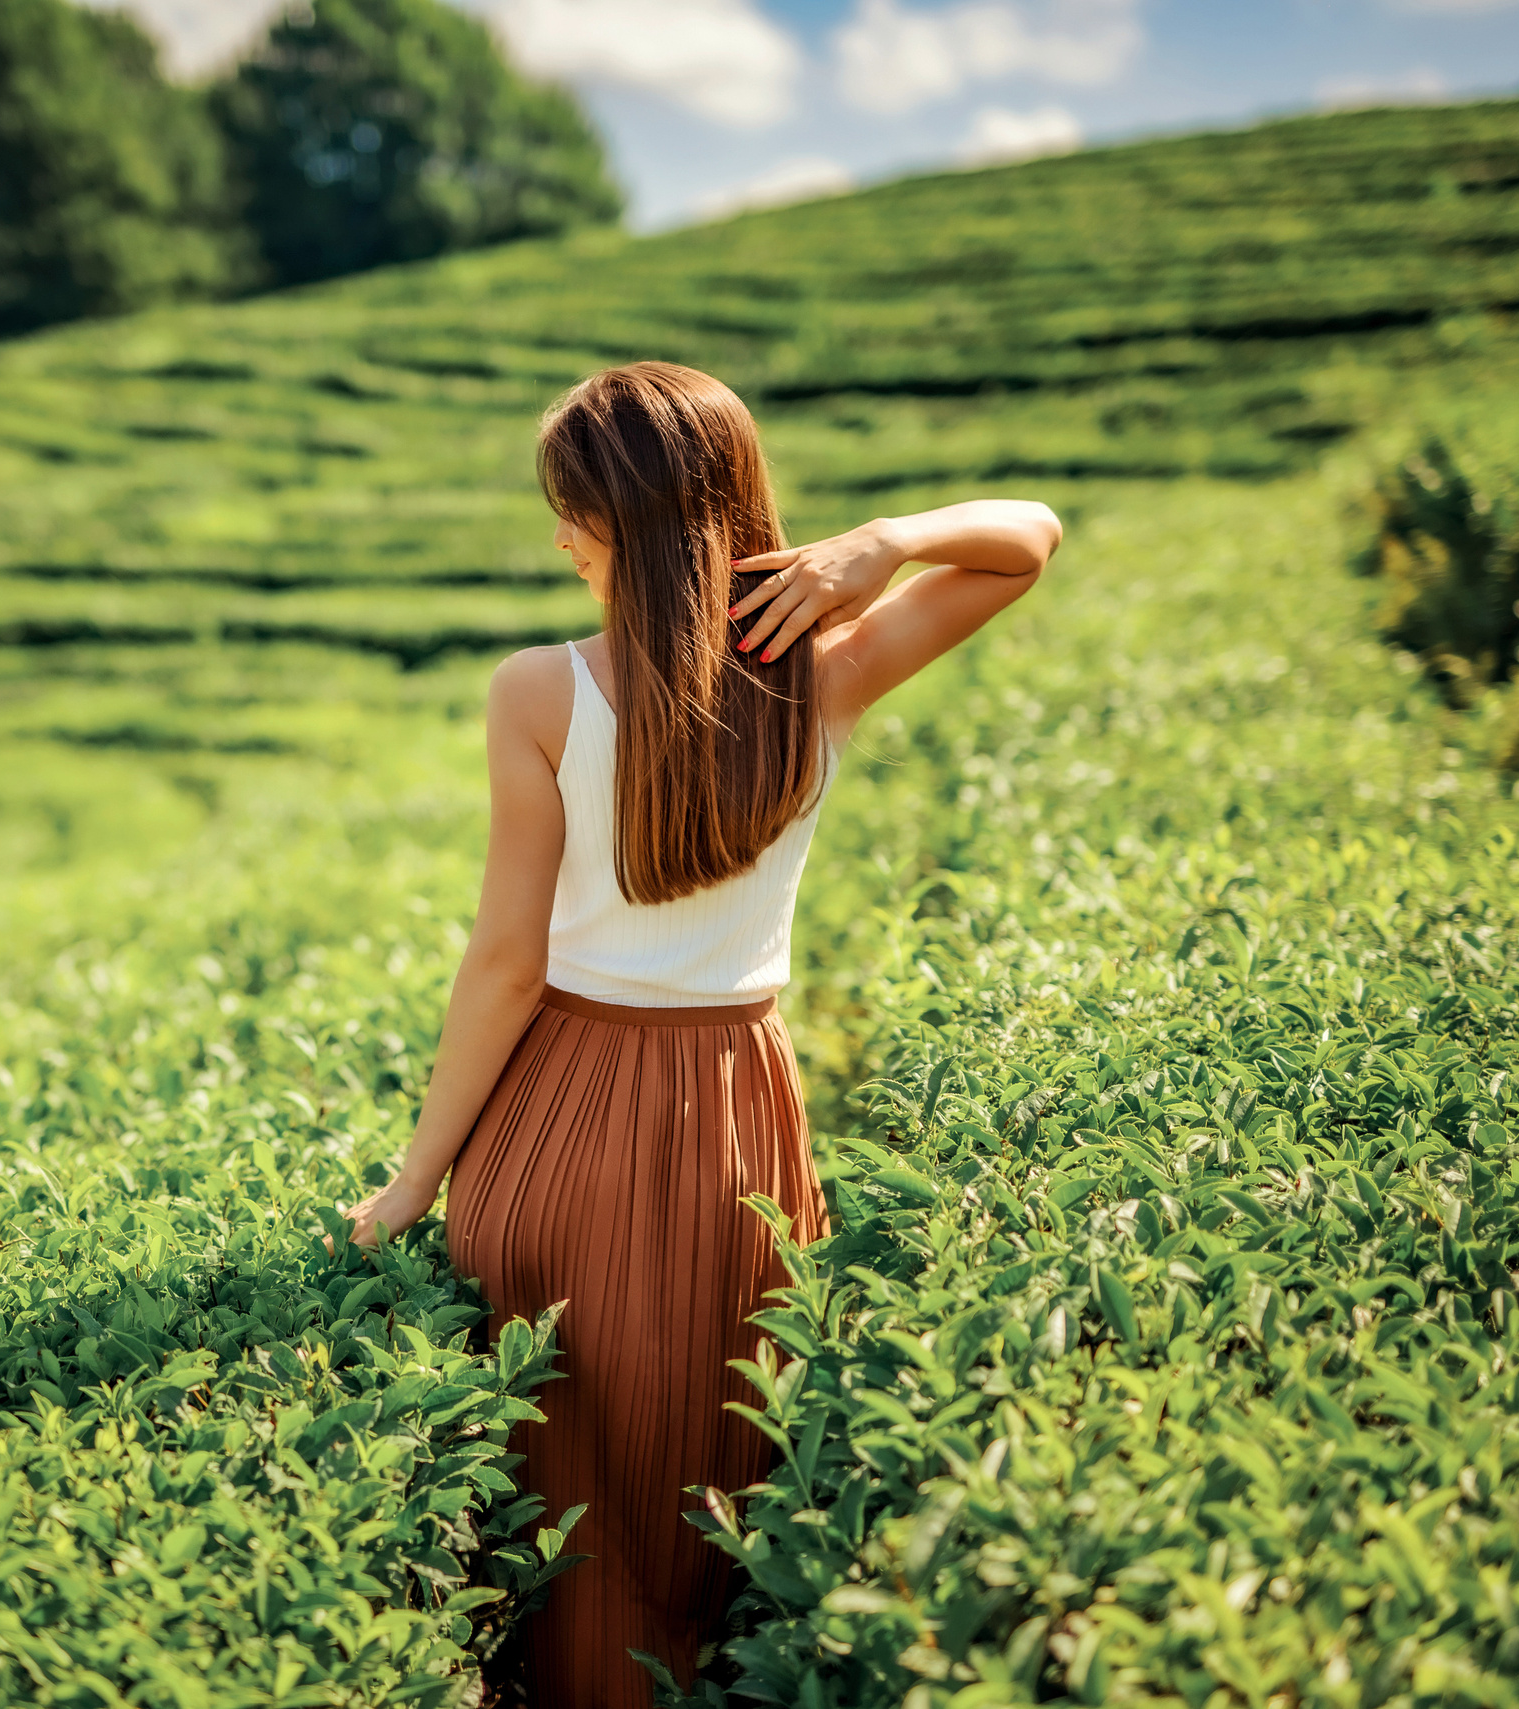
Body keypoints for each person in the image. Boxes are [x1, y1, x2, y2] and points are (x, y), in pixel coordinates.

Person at [338, 360, 1059, 1705]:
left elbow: (501, 964)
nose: (559, 537)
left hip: (558, 1110)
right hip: (739, 1113)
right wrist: (883, 546)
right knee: (717, 1472)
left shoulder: (538, 692)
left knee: (560, 1502)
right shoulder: (820, 674)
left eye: (575, 512)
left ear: (627, 527)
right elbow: (1028, 540)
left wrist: (415, 1176)